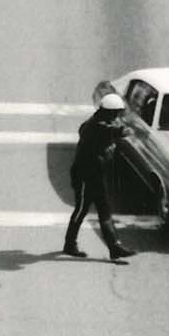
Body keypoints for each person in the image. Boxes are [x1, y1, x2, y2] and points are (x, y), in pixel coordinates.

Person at [62, 92, 133, 264]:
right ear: (109, 112)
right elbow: (112, 131)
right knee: (81, 209)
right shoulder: (96, 127)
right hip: (85, 175)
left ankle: (114, 247)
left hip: (97, 175)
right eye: (116, 113)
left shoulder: (98, 122)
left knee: (104, 209)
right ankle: (70, 244)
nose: (118, 116)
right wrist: (125, 130)